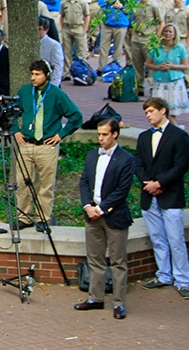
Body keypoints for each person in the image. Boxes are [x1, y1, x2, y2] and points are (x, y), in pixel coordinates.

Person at [75, 118, 135, 320]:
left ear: (115, 134)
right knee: (95, 259)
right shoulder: (92, 155)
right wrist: (87, 206)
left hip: (113, 216)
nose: (101, 138)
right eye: (99, 134)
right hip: (92, 215)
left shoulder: (126, 159)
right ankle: (95, 298)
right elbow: (84, 182)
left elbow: (122, 190)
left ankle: (119, 303)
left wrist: (101, 209)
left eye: (105, 134)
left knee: (118, 261)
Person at [134, 97, 189, 299]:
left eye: (151, 111)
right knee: (158, 239)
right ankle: (164, 275)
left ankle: (182, 280)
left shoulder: (179, 136)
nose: (148, 115)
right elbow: (138, 164)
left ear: (163, 110)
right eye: (146, 112)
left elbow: (181, 165)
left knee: (176, 240)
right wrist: (147, 184)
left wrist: (159, 183)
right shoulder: (143, 137)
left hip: (171, 195)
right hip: (149, 195)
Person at [13, 60, 82, 230]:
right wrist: (16, 130)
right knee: (22, 182)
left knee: (46, 184)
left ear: (46, 75)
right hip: (27, 144)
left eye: (37, 74)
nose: (33, 78)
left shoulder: (56, 94)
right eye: (32, 74)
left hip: (46, 145)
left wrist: (61, 135)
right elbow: (11, 111)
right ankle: (24, 217)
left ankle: (43, 217)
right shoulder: (25, 91)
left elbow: (76, 116)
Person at [146, 24, 189, 125]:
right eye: (165, 31)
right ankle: (176, 128)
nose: (167, 34)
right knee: (160, 109)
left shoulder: (180, 48)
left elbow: (185, 65)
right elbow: (148, 63)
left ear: (174, 34)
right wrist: (158, 67)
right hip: (160, 81)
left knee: (172, 111)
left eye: (170, 32)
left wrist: (173, 66)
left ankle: (172, 129)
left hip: (174, 82)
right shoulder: (155, 47)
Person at [38, 17, 64, 87]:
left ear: (46, 30)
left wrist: (53, 86)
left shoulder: (54, 45)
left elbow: (57, 67)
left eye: (39, 29)